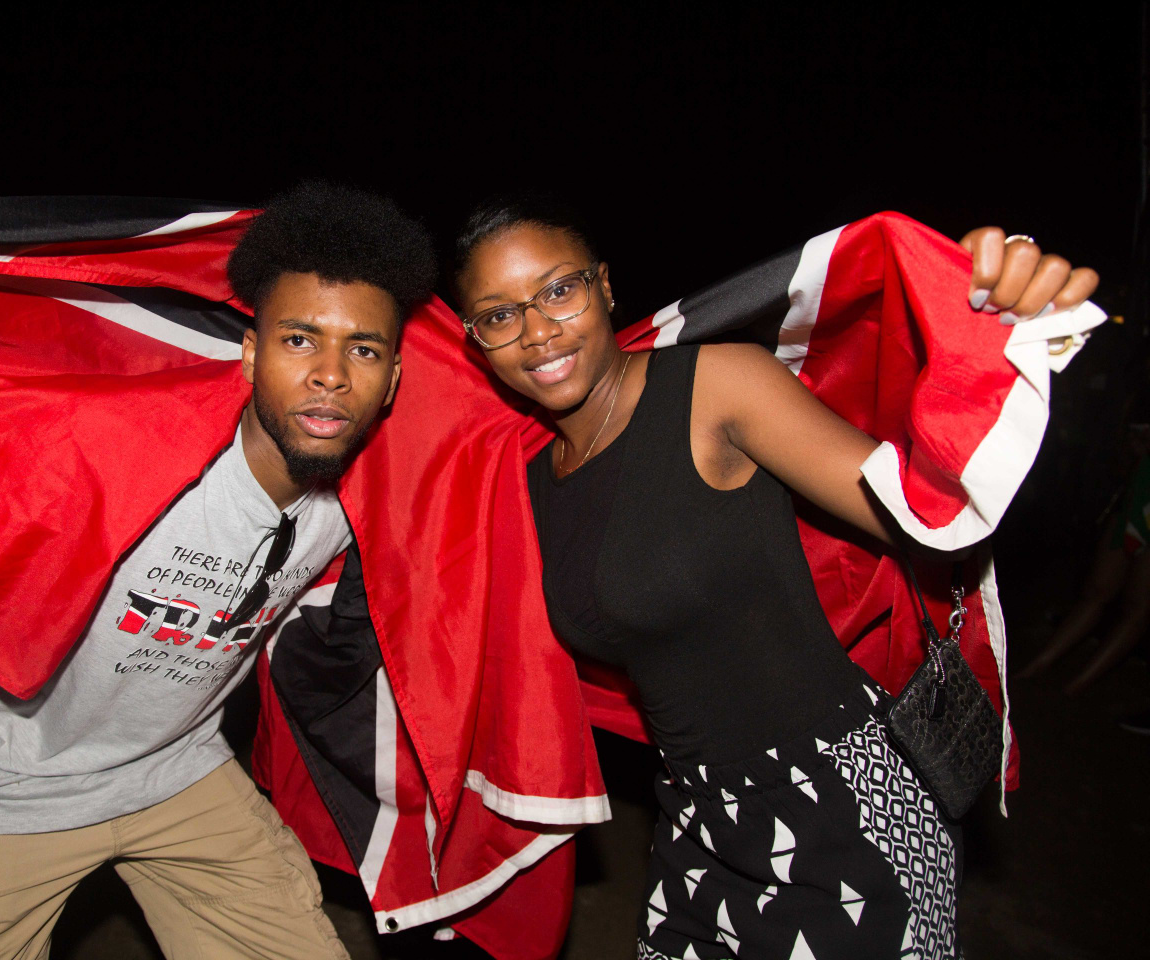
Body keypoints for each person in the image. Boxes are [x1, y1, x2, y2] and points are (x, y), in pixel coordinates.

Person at [0, 169, 436, 959]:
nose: (331, 373)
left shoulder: (367, 498)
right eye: (300, 339)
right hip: (7, 787)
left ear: (393, 377)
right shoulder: (118, 450)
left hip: (178, 771)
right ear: (250, 352)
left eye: (362, 349)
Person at [451, 197, 1097, 959]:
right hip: (696, 818)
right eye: (498, 315)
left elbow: (923, 502)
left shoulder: (713, 387)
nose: (535, 331)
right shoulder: (527, 480)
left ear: (605, 285)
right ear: (476, 342)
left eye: (559, 290)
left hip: (842, 806)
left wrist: (994, 333)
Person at [1019, 425, 1150, 696]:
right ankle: (1040, 665)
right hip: (1135, 503)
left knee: (1137, 609)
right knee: (1097, 591)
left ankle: (1077, 686)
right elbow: (1118, 458)